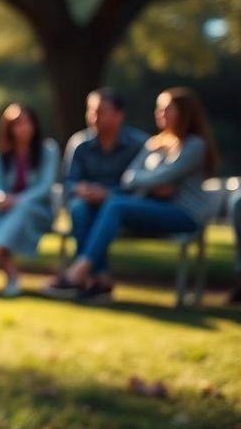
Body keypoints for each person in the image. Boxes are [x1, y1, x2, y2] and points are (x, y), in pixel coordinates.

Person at [52, 88, 219, 303]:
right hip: (158, 209)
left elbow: (162, 175)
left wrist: (152, 179)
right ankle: (100, 279)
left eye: (167, 109)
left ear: (184, 113)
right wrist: (154, 181)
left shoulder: (195, 145)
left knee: (116, 205)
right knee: (94, 207)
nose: (160, 114)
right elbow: (129, 177)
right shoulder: (155, 143)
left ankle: (80, 270)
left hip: (184, 215)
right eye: (159, 109)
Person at [44, 88, 146, 299]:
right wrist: (80, 189)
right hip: (87, 206)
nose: (94, 117)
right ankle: (99, 278)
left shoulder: (139, 145)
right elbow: (69, 182)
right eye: (90, 111)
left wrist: (107, 193)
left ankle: (81, 276)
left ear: (119, 115)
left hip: (124, 210)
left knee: (108, 209)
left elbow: (138, 186)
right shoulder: (79, 143)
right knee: (79, 209)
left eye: (100, 111)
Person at [0, 104, 60, 297]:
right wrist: (0, 198)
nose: (23, 128)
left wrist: (17, 199)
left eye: (26, 122)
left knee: (21, 208)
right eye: (17, 123)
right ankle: (11, 277)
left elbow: (45, 187)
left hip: (38, 211)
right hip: (7, 212)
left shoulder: (48, 150)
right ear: (8, 128)